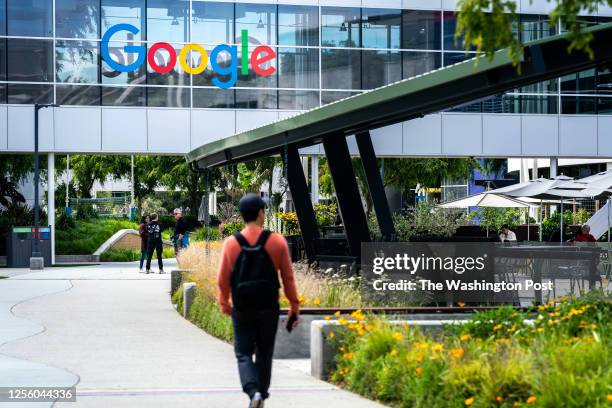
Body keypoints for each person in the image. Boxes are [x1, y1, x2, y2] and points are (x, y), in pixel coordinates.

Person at [217, 193, 300, 408]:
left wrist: (225, 304)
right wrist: (294, 305)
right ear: (261, 212)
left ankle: (253, 392)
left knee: (243, 352)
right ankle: (261, 394)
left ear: (242, 215)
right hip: (268, 306)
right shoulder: (277, 241)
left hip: (242, 307)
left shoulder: (231, 243)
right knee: (264, 352)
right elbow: (288, 277)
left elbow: (223, 279)